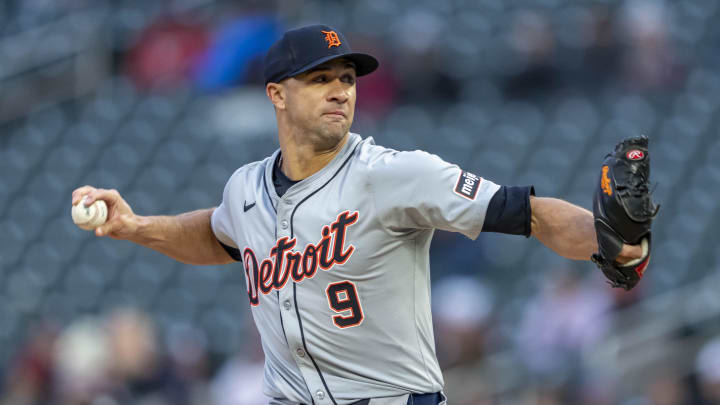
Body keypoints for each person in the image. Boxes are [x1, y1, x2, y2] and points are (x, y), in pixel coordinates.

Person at [72, 25, 644, 405]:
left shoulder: (391, 173)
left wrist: (610, 240)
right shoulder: (244, 187)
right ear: (276, 94)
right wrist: (136, 226)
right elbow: (217, 234)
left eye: (346, 79)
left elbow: (529, 213)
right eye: (320, 79)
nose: (340, 91)